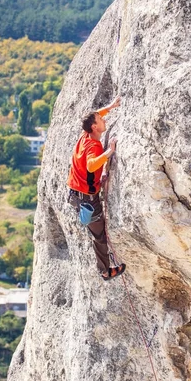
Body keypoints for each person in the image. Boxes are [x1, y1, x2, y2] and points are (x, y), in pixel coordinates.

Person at [67, 97, 126, 281]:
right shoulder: (93, 145)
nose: (104, 120)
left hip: (77, 193)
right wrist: (110, 151)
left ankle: (104, 267)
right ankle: (105, 271)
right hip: (86, 200)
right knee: (99, 235)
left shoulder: (85, 136)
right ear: (94, 127)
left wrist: (110, 107)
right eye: (101, 121)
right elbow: (92, 165)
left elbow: (96, 115)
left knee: (97, 231)